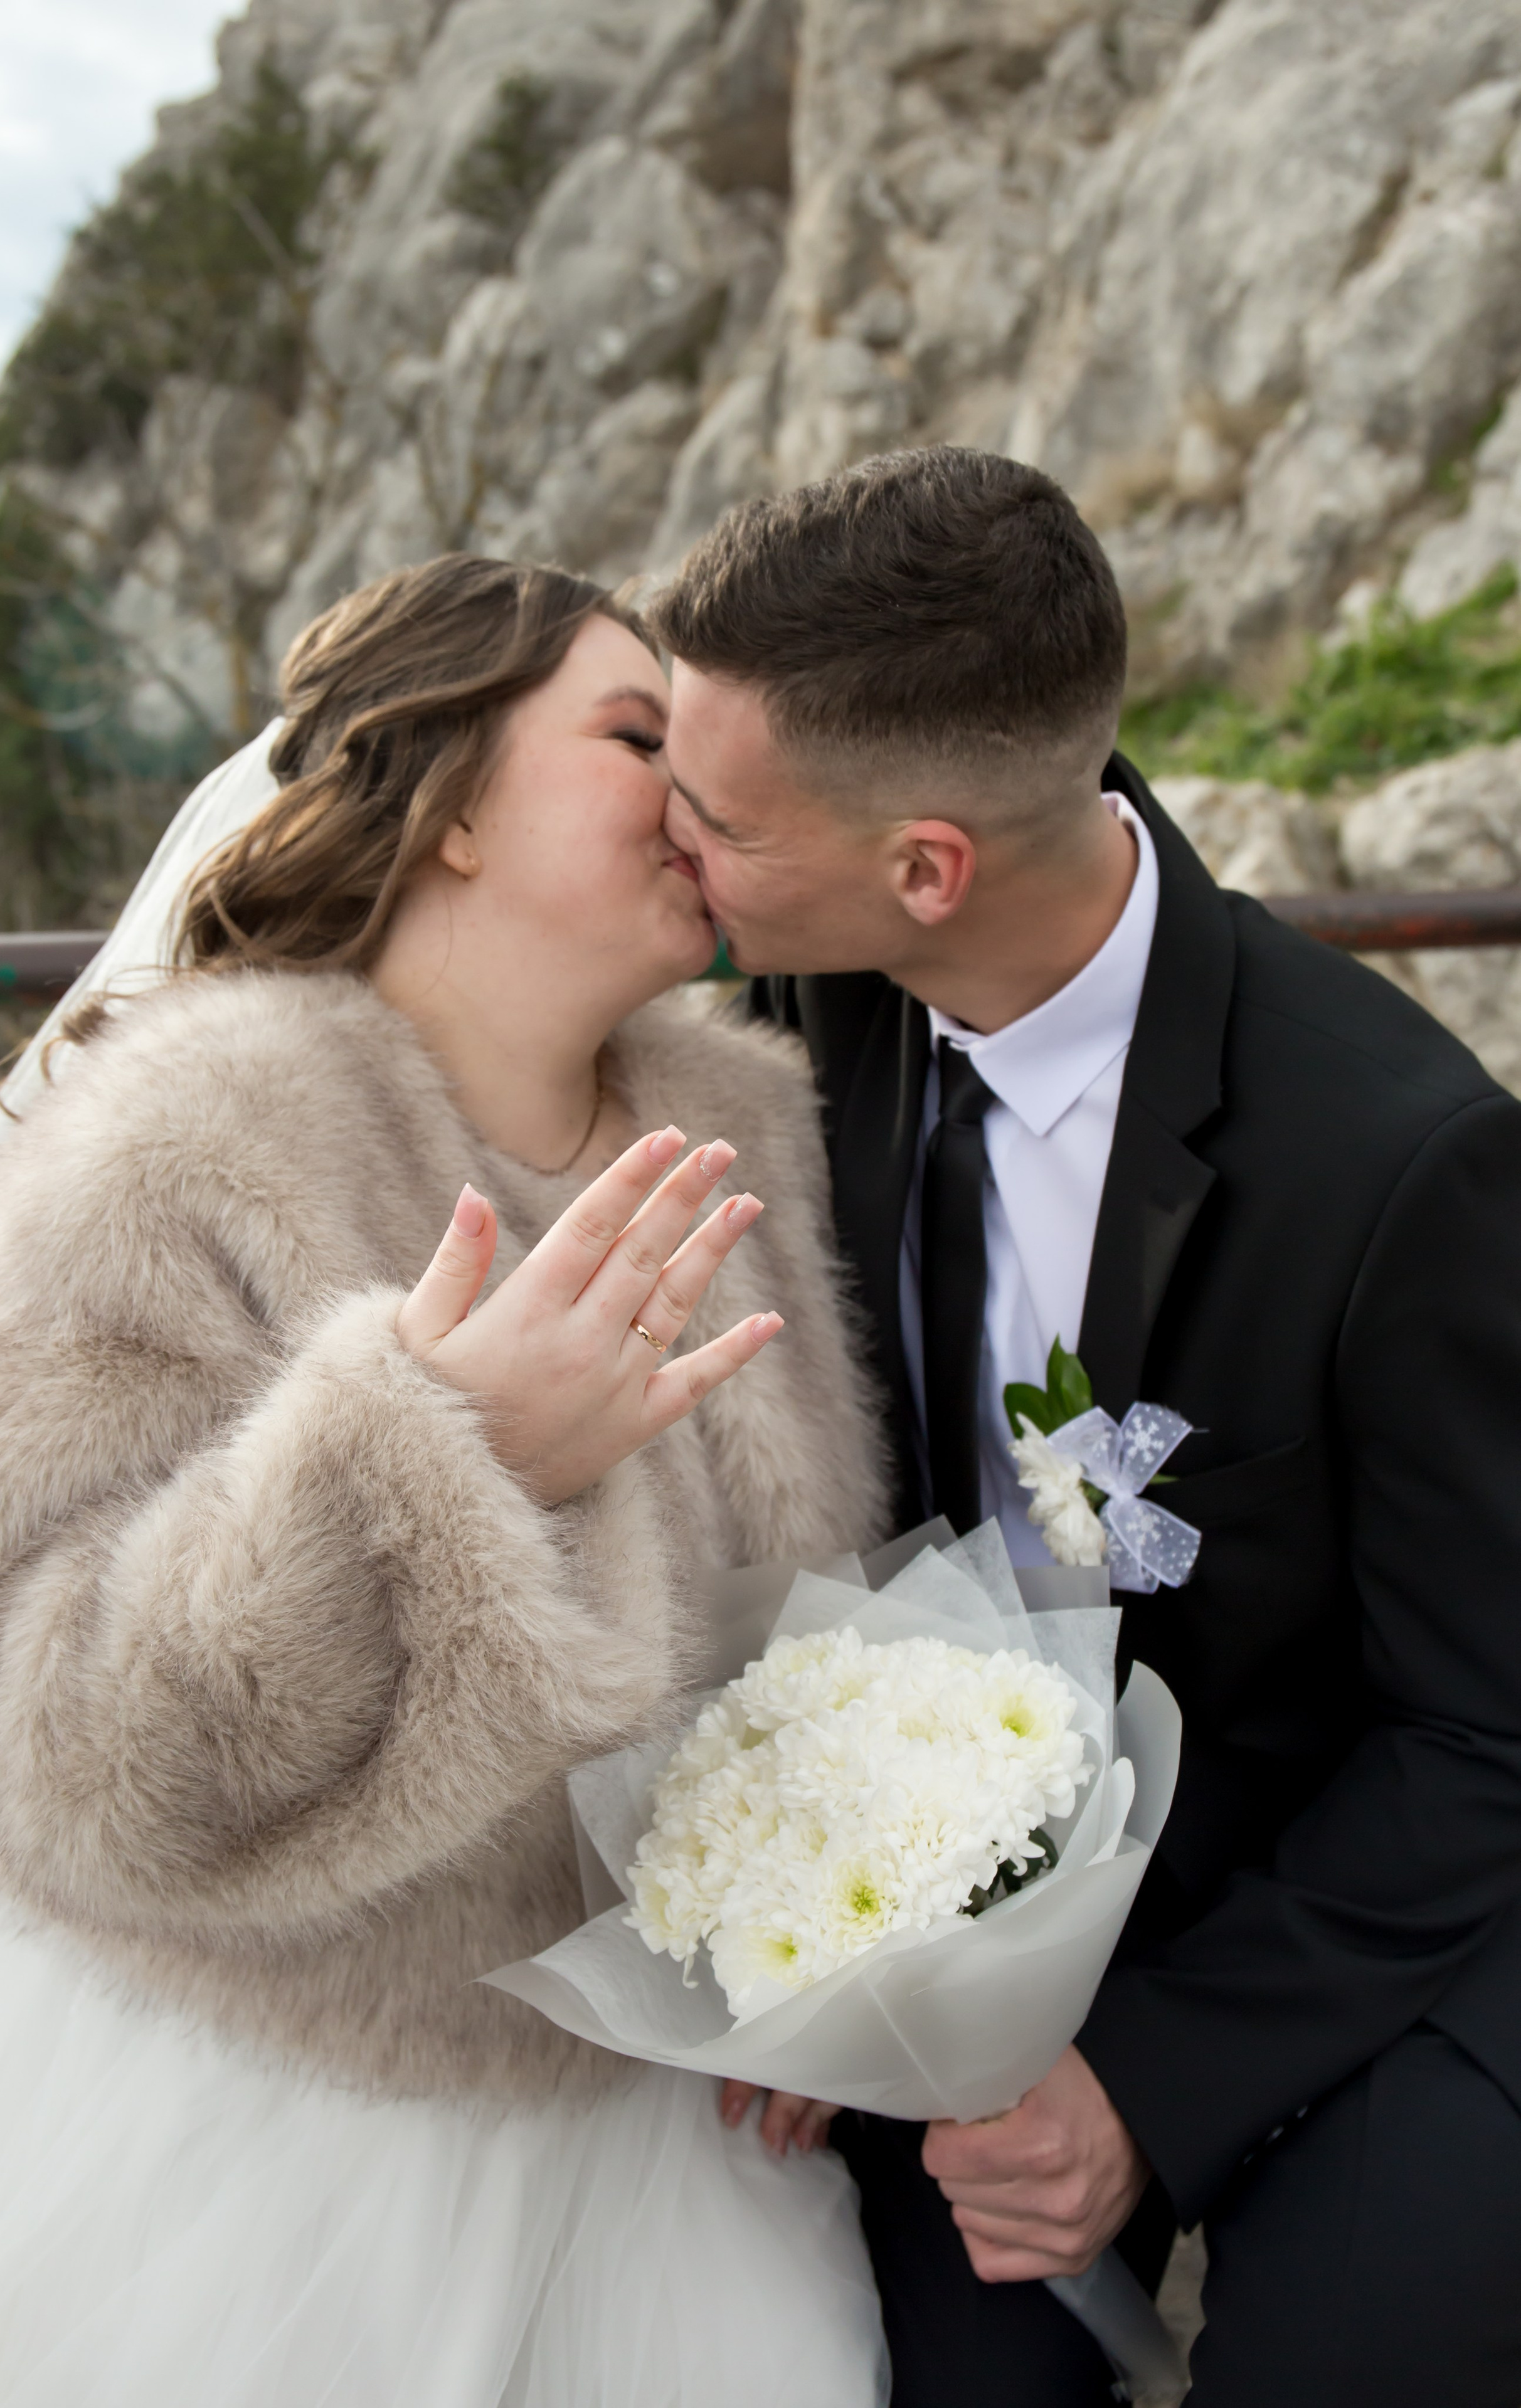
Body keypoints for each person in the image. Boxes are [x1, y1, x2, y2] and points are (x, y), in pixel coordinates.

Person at [0, 555, 893, 2405]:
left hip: (679, 2142)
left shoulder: (752, 1121)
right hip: (272, 2127)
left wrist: (851, 1943)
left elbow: (806, 1621)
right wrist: (440, 1469)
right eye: (634, 737)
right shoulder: (186, 1132)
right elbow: (30, 1733)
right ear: (447, 798)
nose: (699, 792)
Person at [650, 446, 1521, 2407]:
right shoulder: (821, 1011)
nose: (666, 838)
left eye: (710, 812)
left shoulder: (1401, 1165)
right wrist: (816, 1929)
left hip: (1340, 1888)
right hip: (977, 1871)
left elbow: (1486, 1732)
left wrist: (1146, 2085)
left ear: (927, 865)